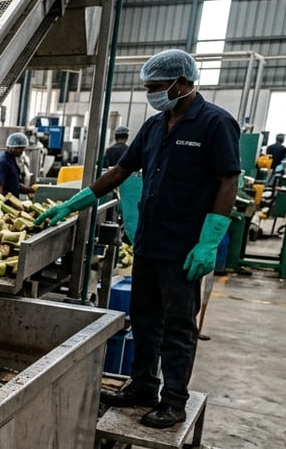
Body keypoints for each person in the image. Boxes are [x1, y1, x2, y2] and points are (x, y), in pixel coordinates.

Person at [36, 49, 239, 429]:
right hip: (149, 241)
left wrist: (210, 240)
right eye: (148, 88)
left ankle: (174, 401)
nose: (151, 93)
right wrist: (76, 203)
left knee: (178, 326)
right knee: (145, 320)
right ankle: (144, 386)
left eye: (157, 87)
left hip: (184, 247)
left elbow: (229, 180)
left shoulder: (215, 123)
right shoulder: (154, 126)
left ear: (182, 83)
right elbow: (122, 170)